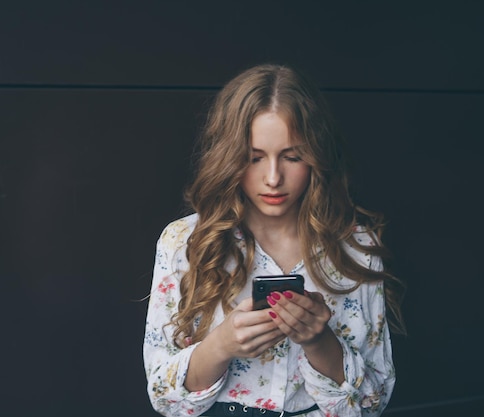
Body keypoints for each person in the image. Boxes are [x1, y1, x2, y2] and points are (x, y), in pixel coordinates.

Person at [143, 64, 405, 417]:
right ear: (229, 158)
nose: (272, 178)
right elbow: (164, 398)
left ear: (316, 156)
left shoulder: (355, 247)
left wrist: (319, 341)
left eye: (292, 156)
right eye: (253, 158)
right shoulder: (185, 242)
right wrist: (220, 345)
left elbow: (372, 403)